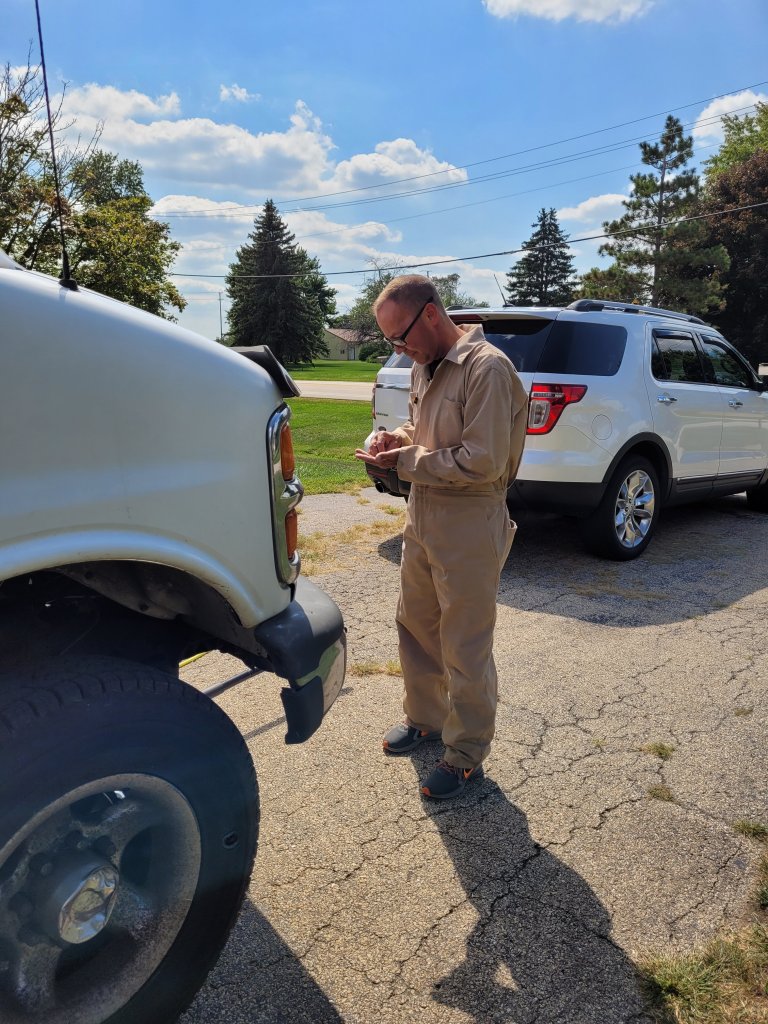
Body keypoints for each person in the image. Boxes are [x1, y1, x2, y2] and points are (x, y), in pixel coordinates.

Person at [355, 275, 528, 799]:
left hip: (471, 518)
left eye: (400, 336)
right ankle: (425, 718)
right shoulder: (423, 365)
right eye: (391, 342)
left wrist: (405, 460)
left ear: (431, 314)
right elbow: (426, 433)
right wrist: (395, 439)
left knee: (465, 641)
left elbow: (483, 461)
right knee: (415, 623)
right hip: (424, 511)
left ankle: (466, 752)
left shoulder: (488, 369)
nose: (398, 350)